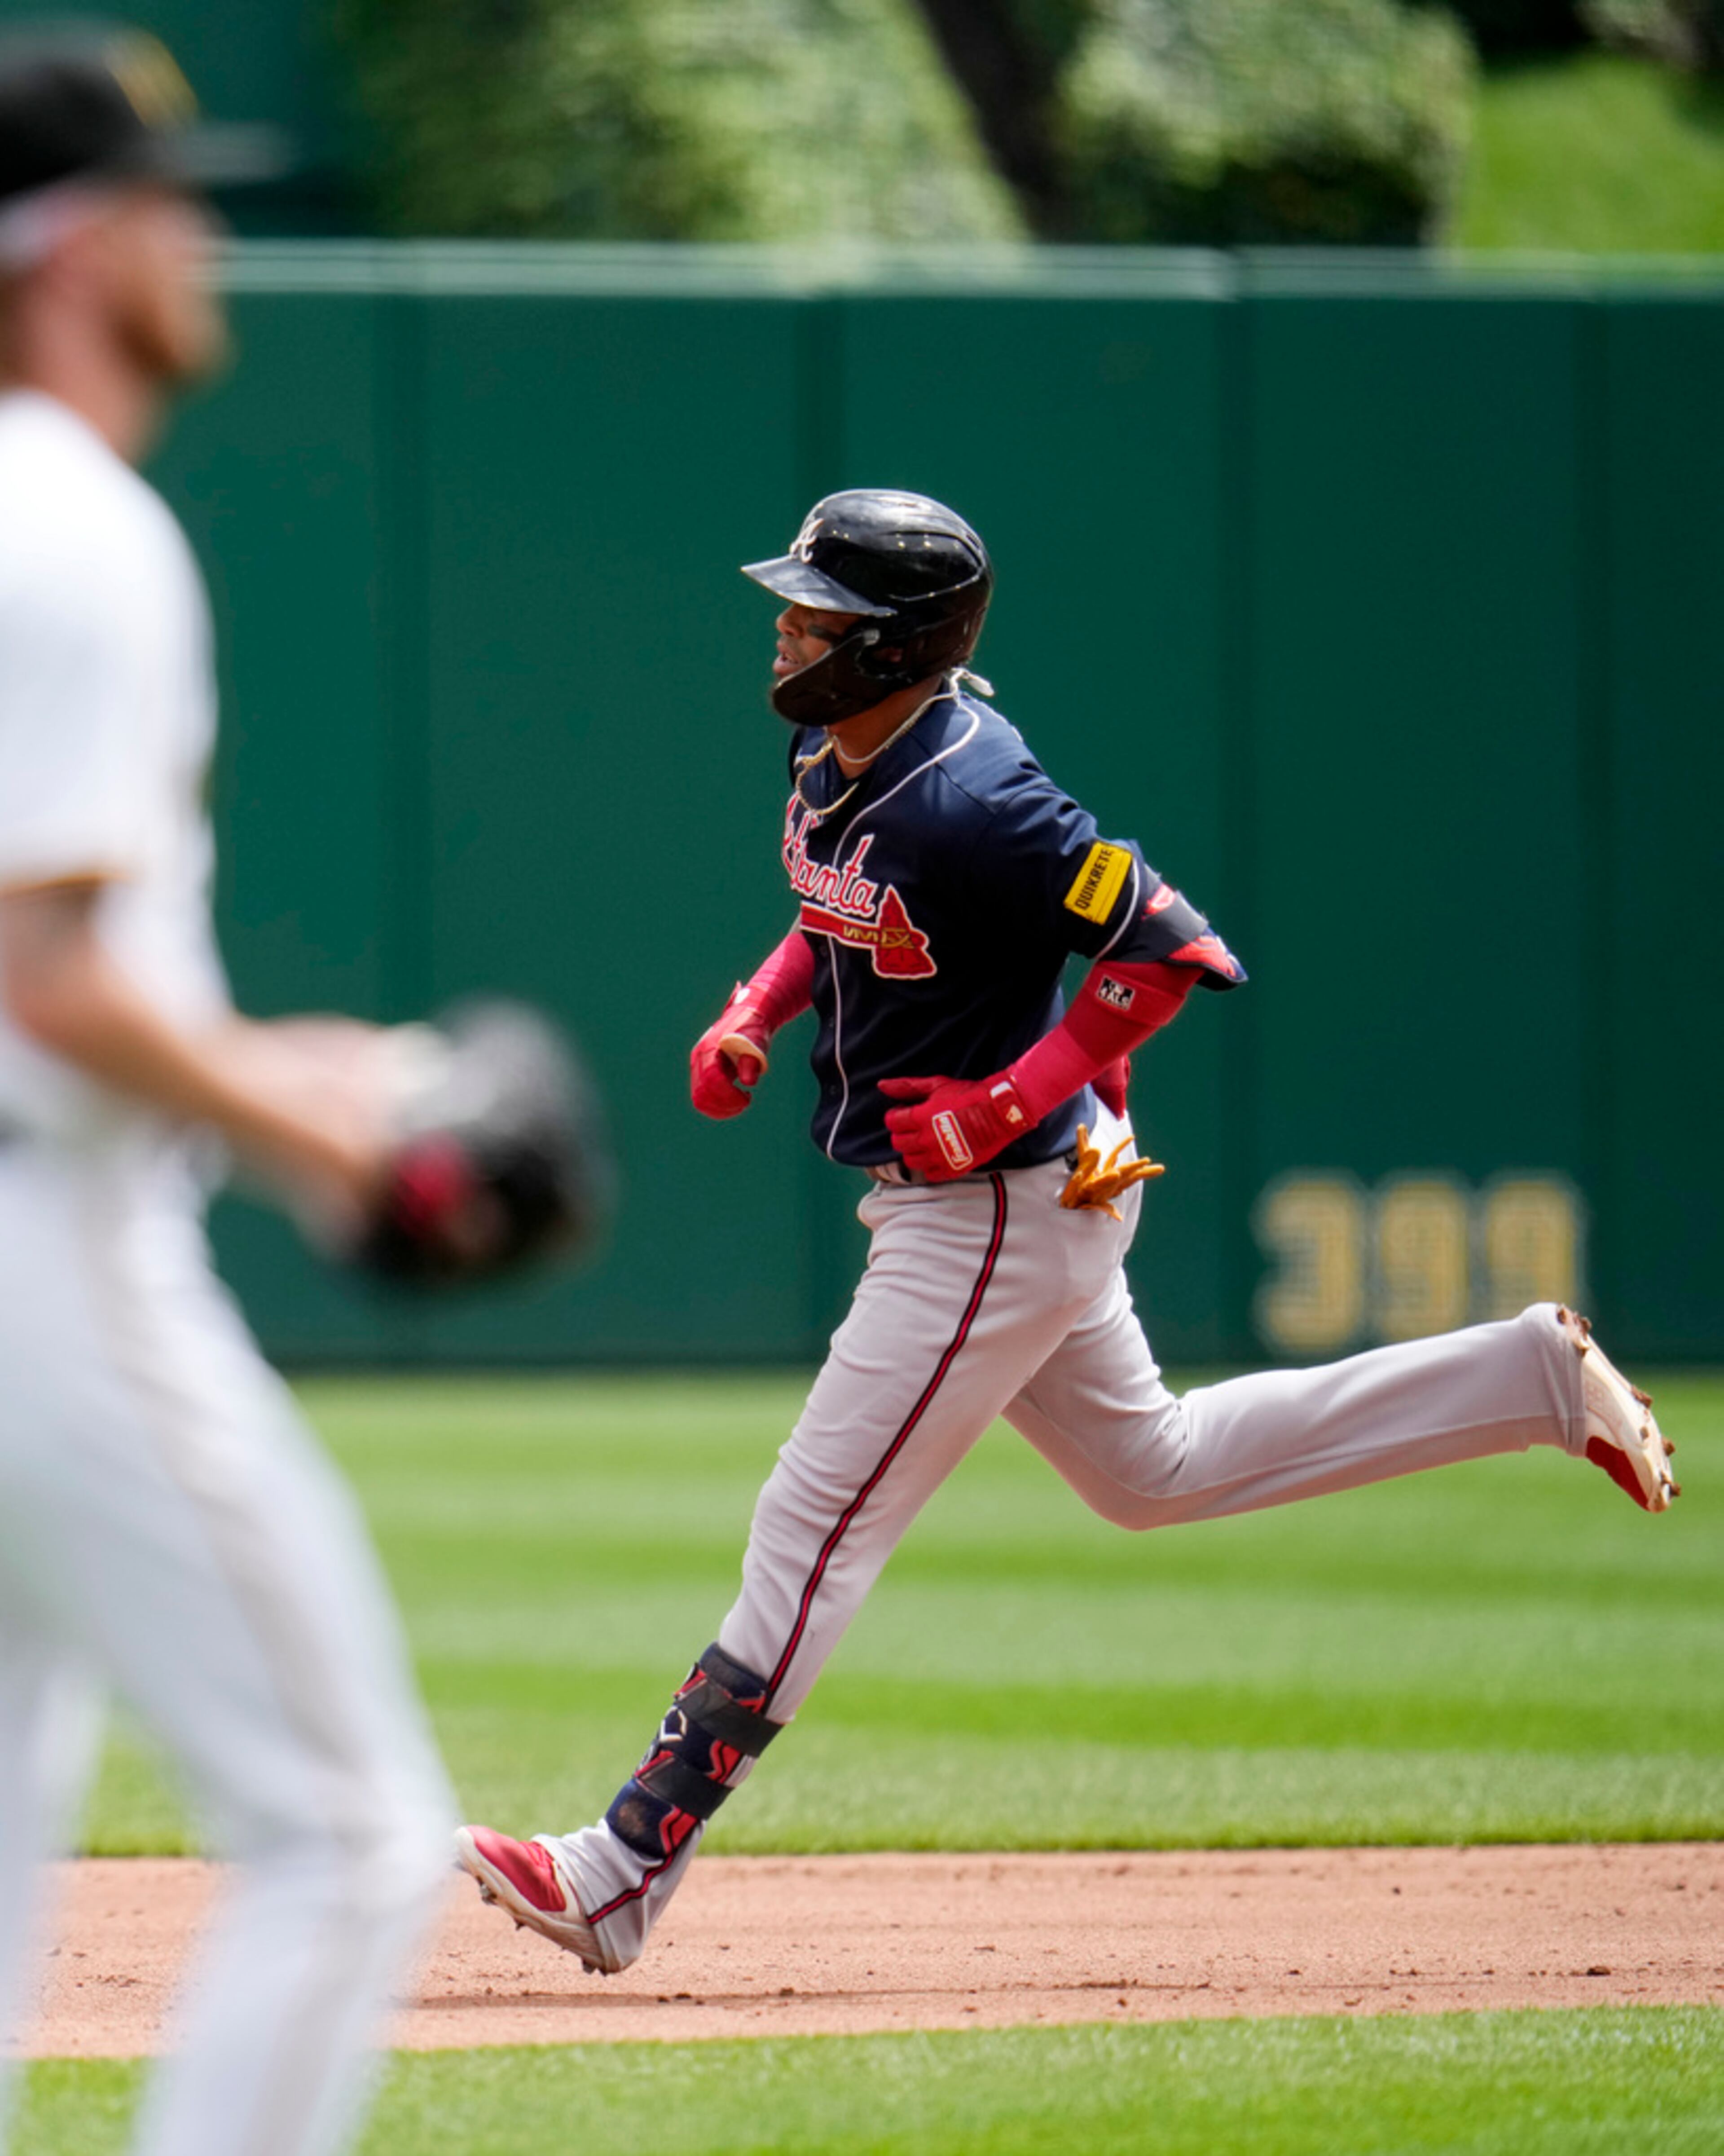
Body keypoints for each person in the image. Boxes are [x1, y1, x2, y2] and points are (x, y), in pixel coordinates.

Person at [455, 487, 1677, 1976]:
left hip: (996, 1206)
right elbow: (832, 911)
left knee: (810, 1521)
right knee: (1150, 1473)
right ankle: (1527, 1380)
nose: (786, 626)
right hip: (1010, 1195)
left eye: (817, 610)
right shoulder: (836, 748)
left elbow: (1174, 948)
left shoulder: (982, 796)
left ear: (895, 642)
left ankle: (618, 1865)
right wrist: (755, 1008)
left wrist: (1002, 1099)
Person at [0, 26, 452, 2156]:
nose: (210, 241)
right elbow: (53, 981)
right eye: (176, 202)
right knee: (350, 1830)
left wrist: (265, 1066)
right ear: (77, 247)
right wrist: (324, 1130)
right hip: (48, 1261)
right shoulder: (73, 524)